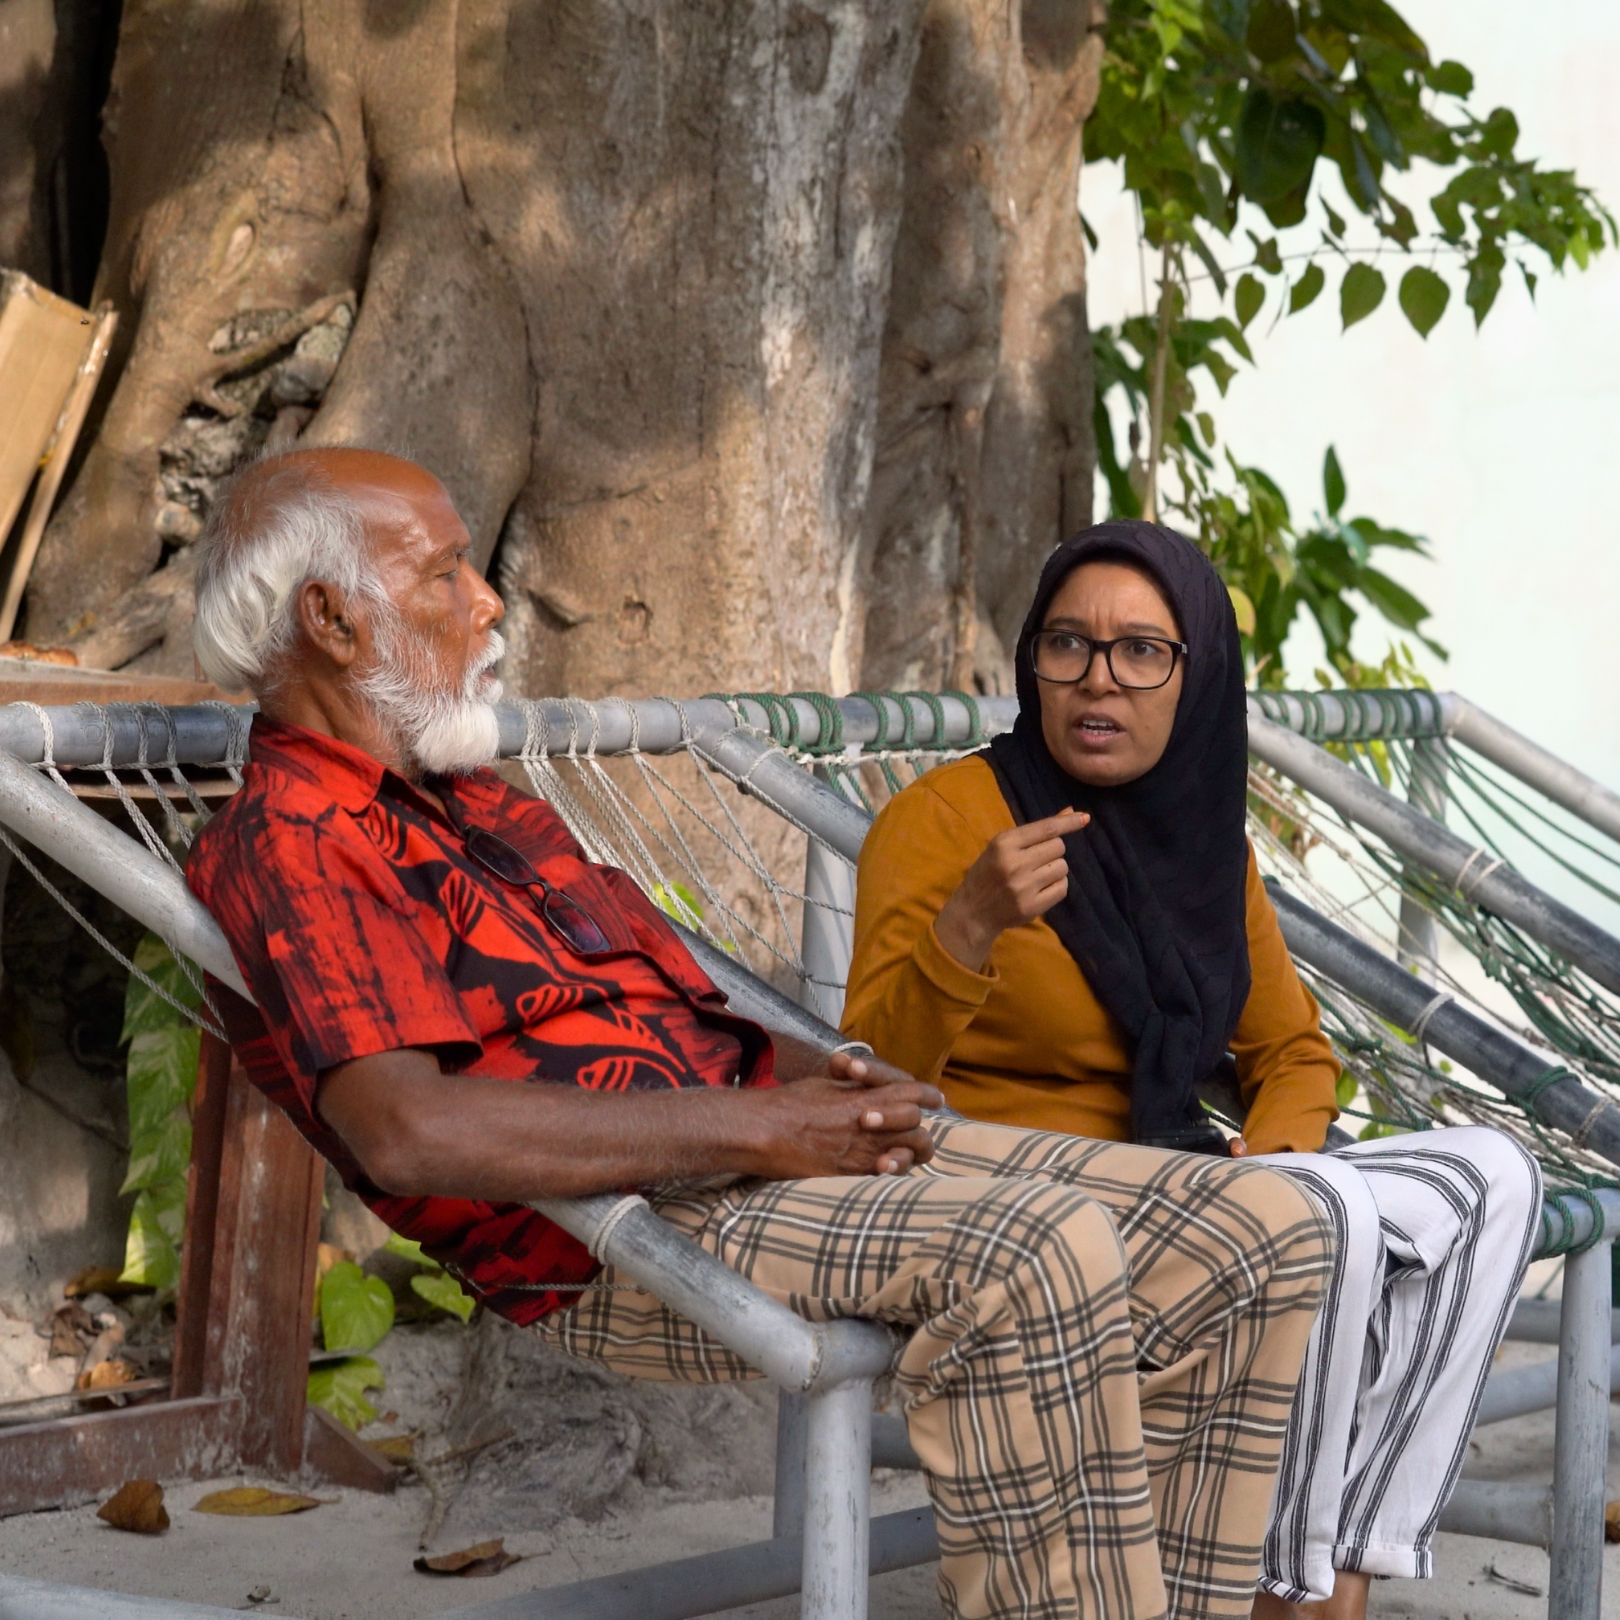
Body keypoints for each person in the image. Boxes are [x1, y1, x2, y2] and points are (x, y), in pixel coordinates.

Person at [187, 450, 1334, 1620]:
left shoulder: (482, 805)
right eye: (443, 576)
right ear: (330, 619)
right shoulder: (296, 837)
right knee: (1035, 1253)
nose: (487, 602)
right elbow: (405, 1129)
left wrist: (835, 1080)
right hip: (623, 1228)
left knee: (1275, 1225)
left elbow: (692, 1019)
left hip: (754, 1158)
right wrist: (768, 1123)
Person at [842, 519, 1542, 1620]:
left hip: (1192, 1179)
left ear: (1196, 674)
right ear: (1033, 661)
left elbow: (1294, 1053)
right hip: (1019, 1197)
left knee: (1492, 1177)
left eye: (1141, 651)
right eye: (1066, 646)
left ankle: (1340, 1562)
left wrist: (1273, 1159)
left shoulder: (1209, 846)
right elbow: (874, 1077)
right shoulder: (945, 825)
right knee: (1326, 1220)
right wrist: (967, 927)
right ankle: (1290, 1586)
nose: (1096, 680)